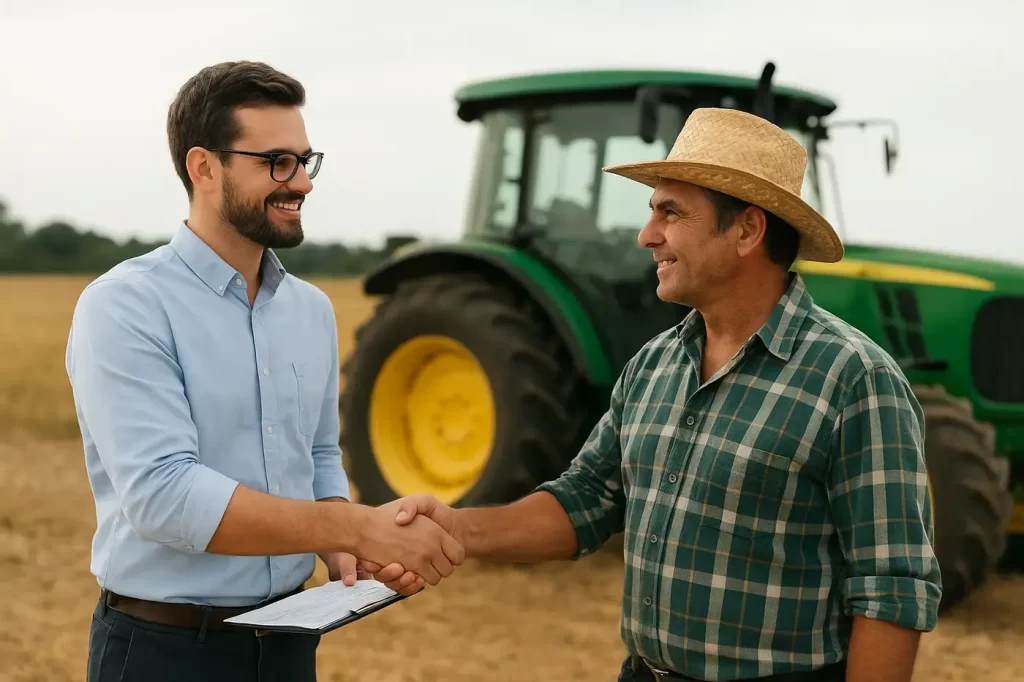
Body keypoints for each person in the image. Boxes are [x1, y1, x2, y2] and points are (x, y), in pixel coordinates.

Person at [364, 108, 942, 682]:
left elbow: (891, 588)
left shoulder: (855, 379)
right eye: (652, 212)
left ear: (746, 229)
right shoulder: (653, 364)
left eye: (671, 213)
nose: (648, 235)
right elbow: (588, 498)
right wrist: (459, 529)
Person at [66, 60, 462, 682]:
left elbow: (319, 455)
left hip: (289, 642)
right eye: (276, 162)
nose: (301, 182)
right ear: (204, 167)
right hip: (163, 651)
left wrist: (351, 549)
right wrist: (357, 524)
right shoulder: (125, 305)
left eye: (306, 160)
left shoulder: (310, 309)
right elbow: (164, 496)